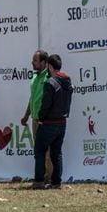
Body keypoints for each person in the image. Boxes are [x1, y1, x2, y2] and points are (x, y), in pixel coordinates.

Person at [33, 54, 73, 190]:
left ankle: (38, 181)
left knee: (39, 150)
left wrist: (41, 119)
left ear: (49, 66)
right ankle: (56, 182)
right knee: (57, 152)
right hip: (62, 122)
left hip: (49, 122)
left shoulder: (50, 83)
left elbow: (45, 105)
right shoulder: (67, 81)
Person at [21, 50, 53, 183]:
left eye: (35, 60)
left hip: (45, 121)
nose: (32, 62)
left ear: (44, 62)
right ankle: (43, 177)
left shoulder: (49, 78)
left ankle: (49, 178)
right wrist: (26, 115)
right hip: (35, 120)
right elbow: (32, 99)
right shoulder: (34, 77)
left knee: (48, 152)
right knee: (39, 150)